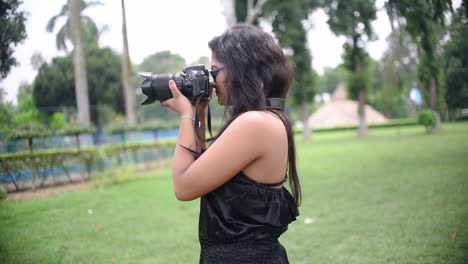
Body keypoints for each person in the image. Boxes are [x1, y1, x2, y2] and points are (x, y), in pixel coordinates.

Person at [160, 24, 301, 264]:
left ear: (239, 70)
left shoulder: (255, 123)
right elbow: (202, 171)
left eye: (215, 72)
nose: (212, 83)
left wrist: (186, 115)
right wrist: (199, 112)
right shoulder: (267, 118)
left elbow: (184, 187)